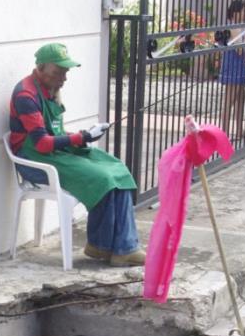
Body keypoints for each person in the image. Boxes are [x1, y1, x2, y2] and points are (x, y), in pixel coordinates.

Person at [8, 43, 145, 267]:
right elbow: (42, 143)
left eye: (66, 72)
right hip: (34, 161)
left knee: (117, 169)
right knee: (102, 178)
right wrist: (81, 137)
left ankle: (111, 246)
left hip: (54, 152)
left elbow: (55, 133)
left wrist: (88, 135)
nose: (63, 78)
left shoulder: (49, 90)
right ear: (41, 69)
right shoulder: (26, 95)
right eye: (58, 72)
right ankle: (117, 247)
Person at [219, 0, 245, 140]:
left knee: (241, 97)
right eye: (244, 11)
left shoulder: (239, 26)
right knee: (230, 99)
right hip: (233, 65)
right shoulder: (233, 27)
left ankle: (239, 130)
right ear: (236, 13)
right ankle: (223, 133)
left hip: (240, 65)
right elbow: (239, 49)